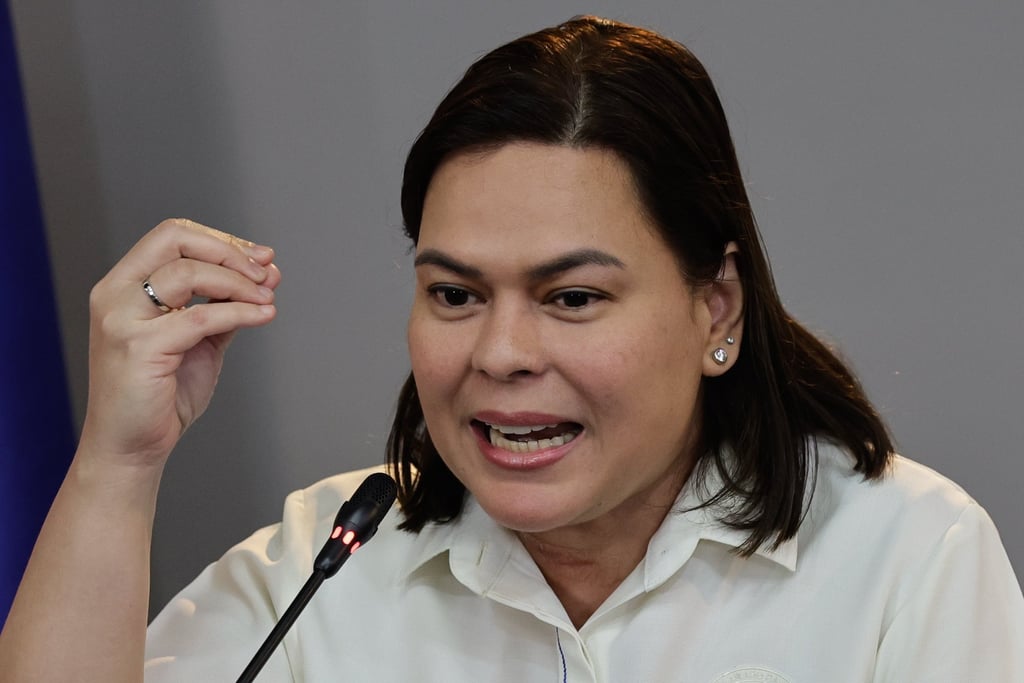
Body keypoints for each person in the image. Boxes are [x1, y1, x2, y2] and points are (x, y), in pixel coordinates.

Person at [1, 15, 1021, 682]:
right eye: (455, 293)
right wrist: (119, 461)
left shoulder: (903, 555)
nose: (499, 351)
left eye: (572, 296)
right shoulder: (330, 561)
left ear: (716, 308)